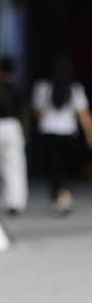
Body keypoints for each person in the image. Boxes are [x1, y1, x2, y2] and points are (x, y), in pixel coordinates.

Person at [32, 53, 92, 214]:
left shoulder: (42, 88)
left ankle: (62, 196)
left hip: (49, 132)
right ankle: (60, 197)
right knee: (62, 167)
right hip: (68, 133)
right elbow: (83, 115)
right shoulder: (75, 89)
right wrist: (90, 134)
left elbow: (38, 113)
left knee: (54, 168)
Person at [0, 56, 29, 214]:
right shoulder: (16, 88)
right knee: (16, 163)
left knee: (1, 164)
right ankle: (17, 200)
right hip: (14, 125)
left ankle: (7, 200)